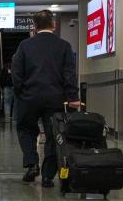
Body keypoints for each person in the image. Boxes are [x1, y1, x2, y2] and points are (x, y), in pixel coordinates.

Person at [11, 10, 80, 188]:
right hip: (55, 99)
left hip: (29, 98)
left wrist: (20, 92)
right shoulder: (64, 46)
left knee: (26, 129)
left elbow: (16, 73)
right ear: (54, 25)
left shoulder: (24, 45)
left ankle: (32, 164)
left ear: (34, 27)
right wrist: (73, 97)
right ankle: (48, 175)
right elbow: (69, 74)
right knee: (53, 135)